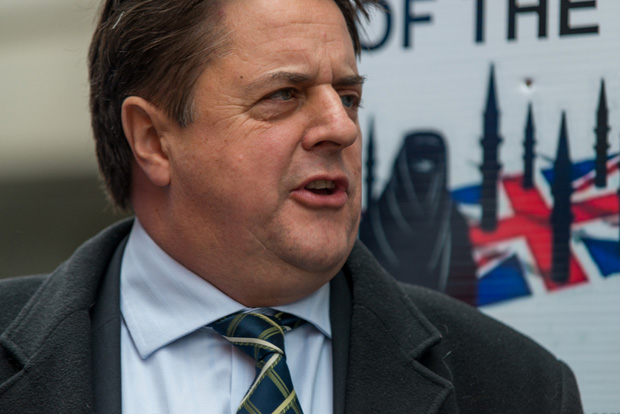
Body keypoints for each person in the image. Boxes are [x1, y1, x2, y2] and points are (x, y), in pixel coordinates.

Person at [0, 0, 582, 412]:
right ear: (153, 140)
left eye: (348, 97)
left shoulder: (518, 387)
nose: (340, 128)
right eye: (283, 96)